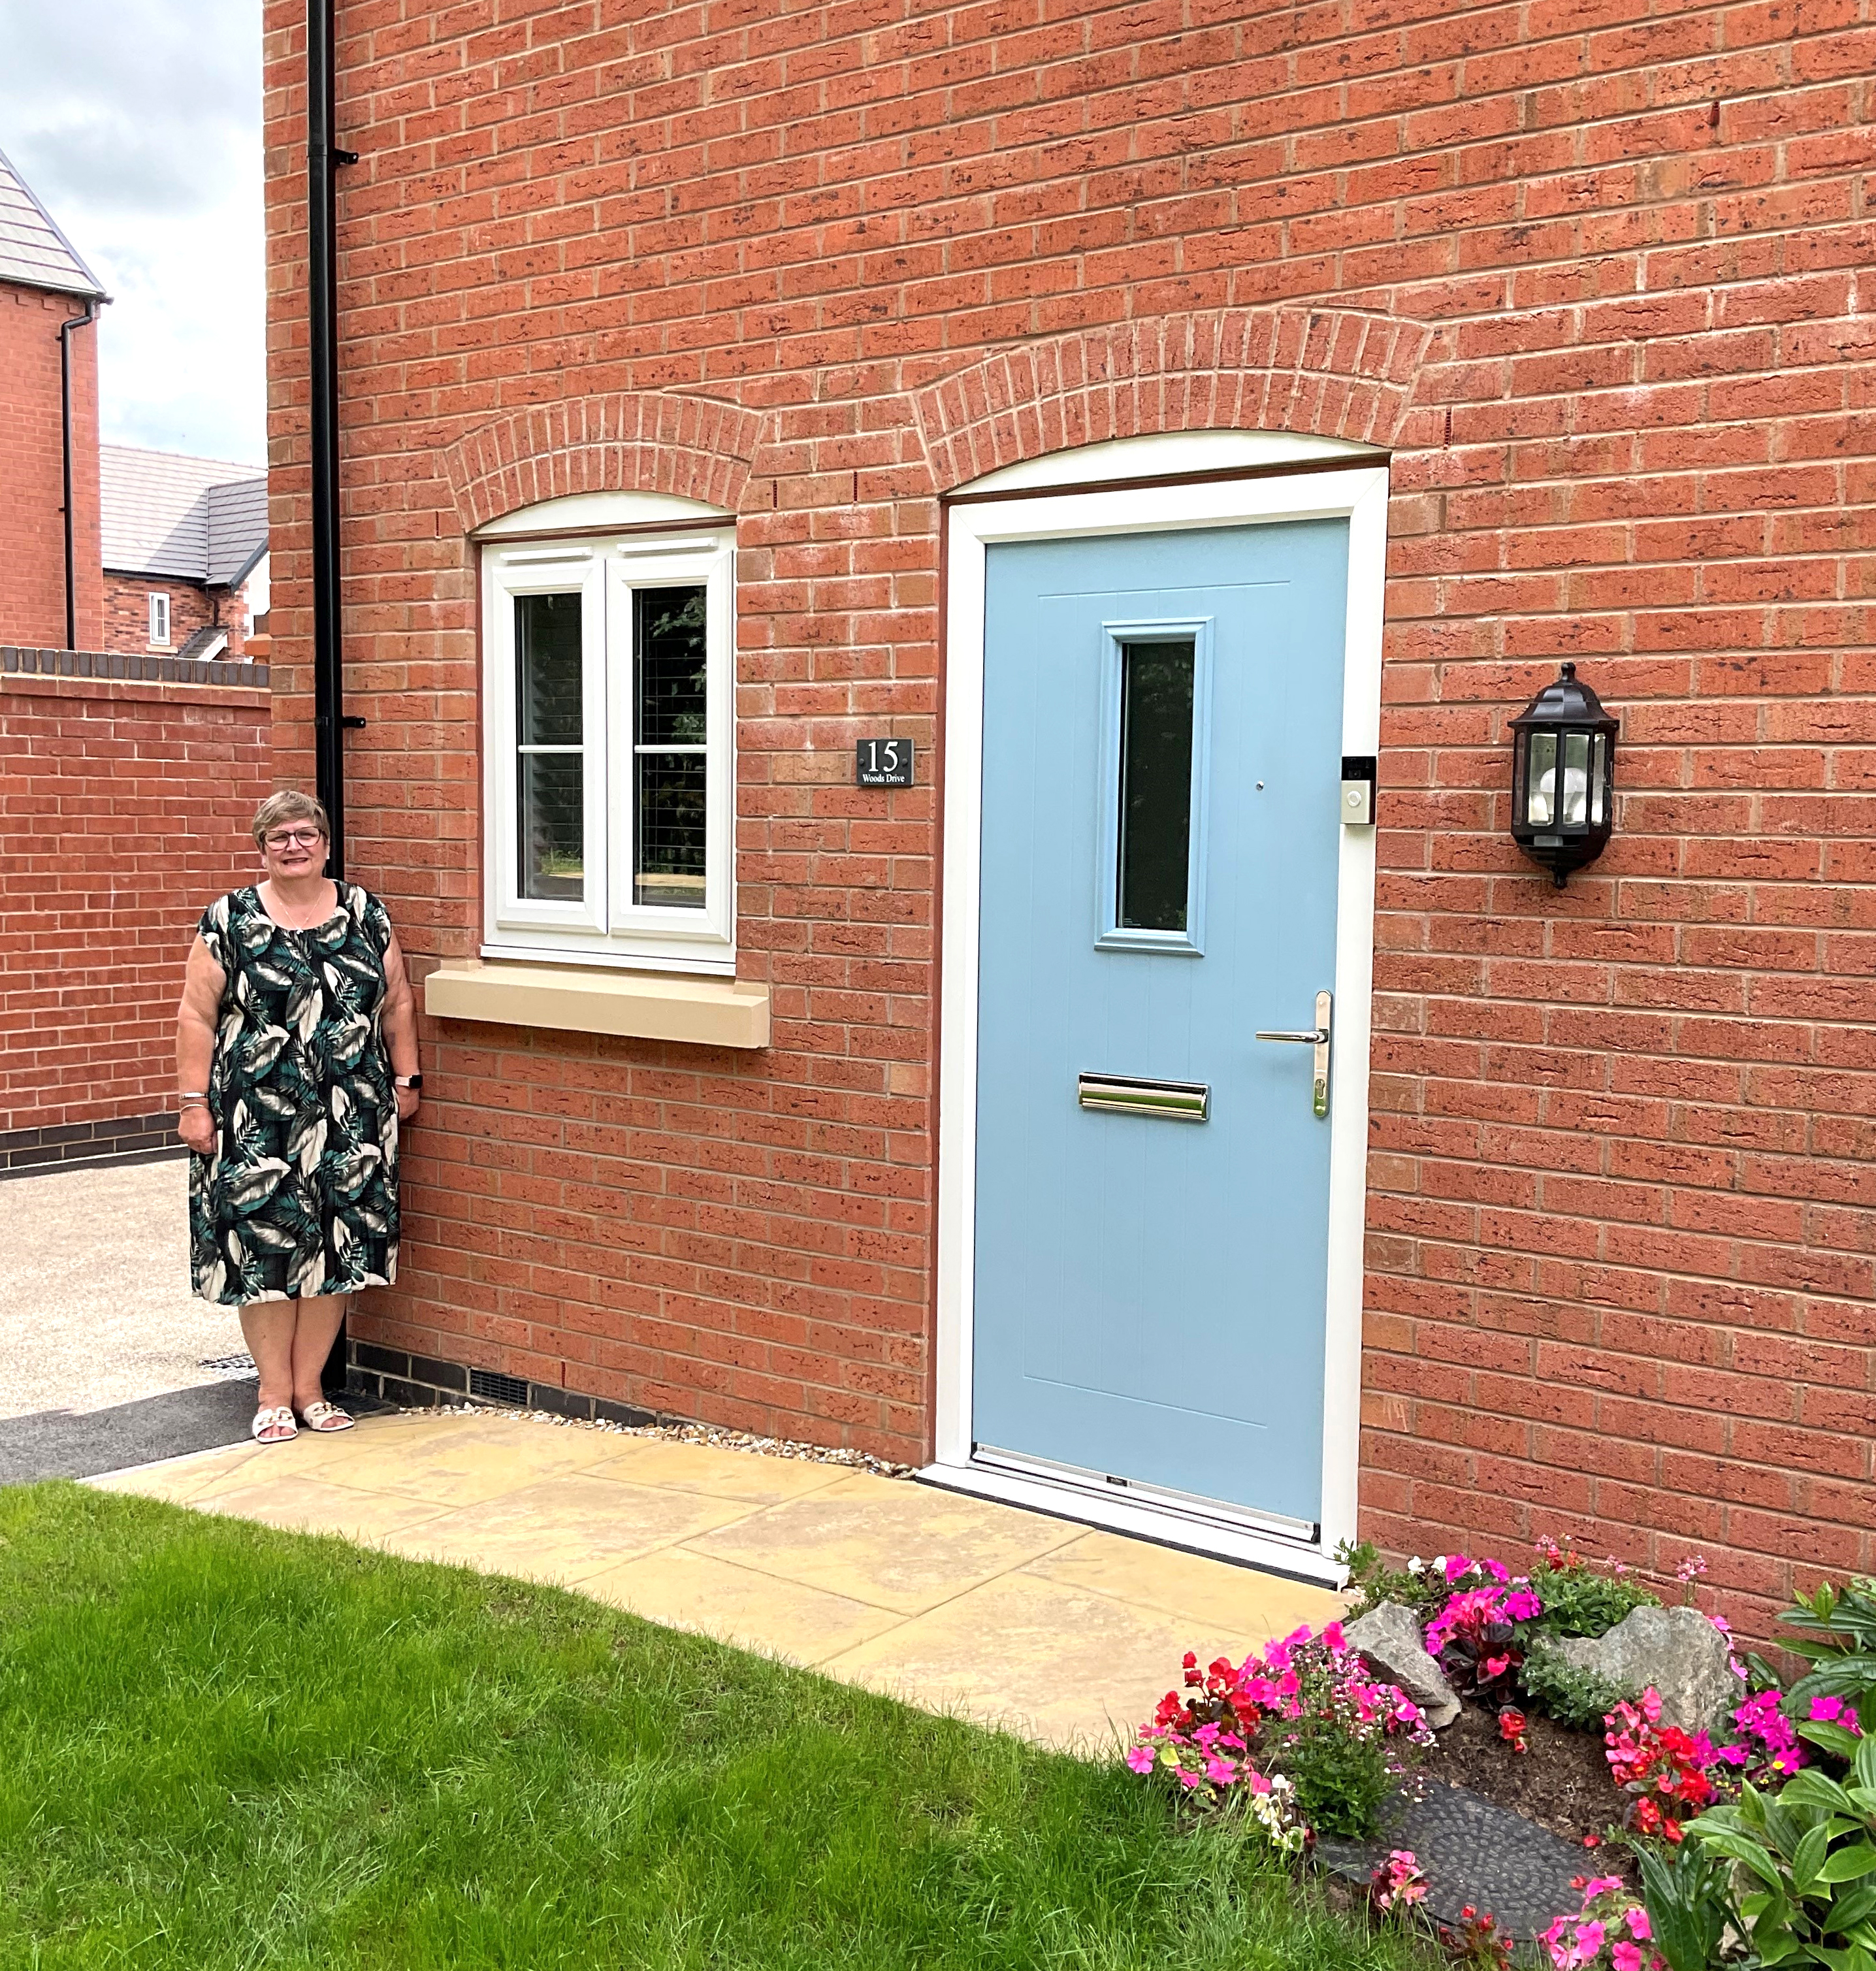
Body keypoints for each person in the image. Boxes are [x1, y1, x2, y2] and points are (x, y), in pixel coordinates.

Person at [175, 791, 421, 1442]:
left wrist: (406, 1076)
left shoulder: (366, 912)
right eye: (279, 835)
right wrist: (192, 1102)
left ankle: (311, 1389)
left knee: (336, 1248)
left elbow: (395, 1002)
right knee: (264, 1248)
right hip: (254, 1113)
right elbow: (197, 1015)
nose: (294, 845)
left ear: (326, 843)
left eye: (306, 834)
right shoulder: (229, 919)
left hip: (353, 1111)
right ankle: (272, 1392)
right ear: (262, 848)